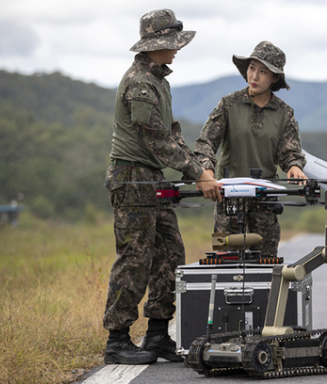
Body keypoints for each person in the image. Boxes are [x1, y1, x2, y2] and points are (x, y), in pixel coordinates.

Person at [103, 9, 209, 365]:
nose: (177, 50)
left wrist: (200, 167)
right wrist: (198, 174)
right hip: (132, 179)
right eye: (172, 44)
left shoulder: (159, 80)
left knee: (169, 255)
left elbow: (172, 133)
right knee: (134, 260)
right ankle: (117, 340)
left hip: (152, 179)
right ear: (155, 45)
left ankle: (158, 334)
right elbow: (156, 141)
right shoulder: (140, 84)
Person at [194, 41, 307, 258]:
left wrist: (294, 166)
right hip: (227, 198)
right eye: (252, 68)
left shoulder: (285, 113)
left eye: (263, 71)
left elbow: (290, 151)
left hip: (265, 200)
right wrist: (206, 170)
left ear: (275, 78)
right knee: (221, 262)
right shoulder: (229, 104)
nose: (254, 76)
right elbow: (206, 143)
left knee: (266, 267)